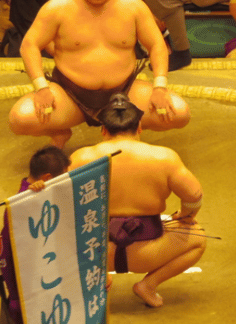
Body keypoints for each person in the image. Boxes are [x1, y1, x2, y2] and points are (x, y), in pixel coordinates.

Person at [8, 0, 191, 148]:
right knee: (21, 118)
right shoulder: (58, 7)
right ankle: (60, 132)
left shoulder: (132, 6)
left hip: (125, 92)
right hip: (70, 94)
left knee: (179, 113)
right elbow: (30, 45)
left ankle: (127, 129)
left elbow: (156, 44)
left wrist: (159, 87)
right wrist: (41, 87)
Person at [69, 93, 205, 308]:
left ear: (103, 130)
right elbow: (194, 196)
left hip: (94, 253)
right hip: (148, 253)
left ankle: (95, 279)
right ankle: (148, 285)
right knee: (197, 237)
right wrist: (186, 216)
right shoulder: (164, 157)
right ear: (139, 128)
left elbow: (57, 203)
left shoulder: (81, 158)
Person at [0, 146, 70, 324]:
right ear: (47, 178)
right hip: (25, 307)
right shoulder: (24, 207)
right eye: (64, 175)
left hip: (35, 300)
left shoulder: (37, 199)